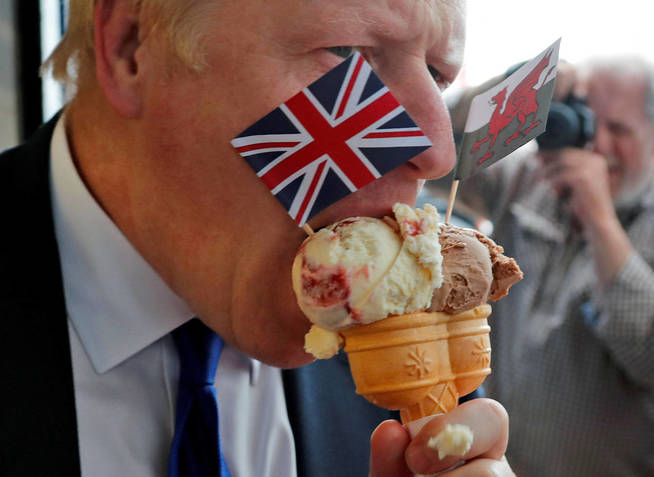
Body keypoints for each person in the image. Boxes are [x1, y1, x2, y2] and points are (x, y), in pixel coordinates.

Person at [0, 1, 514, 476]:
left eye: (437, 75)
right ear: (132, 46)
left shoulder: (419, 376)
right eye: (348, 53)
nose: (439, 153)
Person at [446, 57, 654, 476]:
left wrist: (599, 218)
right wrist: (517, 85)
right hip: (493, 465)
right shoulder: (529, 178)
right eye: (586, 121)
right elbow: (439, 152)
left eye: (618, 130)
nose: (597, 146)